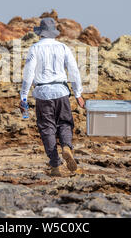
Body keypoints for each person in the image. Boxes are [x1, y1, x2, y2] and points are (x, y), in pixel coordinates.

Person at [19, 17, 85, 177]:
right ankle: (66, 147)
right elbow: (74, 71)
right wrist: (78, 94)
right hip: (61, 91)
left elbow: (28, 73)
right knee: (65, 123)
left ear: (40, 33)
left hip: (43, 93)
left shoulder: (35, 48)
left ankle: (55, 166)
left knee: (47, 127)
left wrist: (23, 97)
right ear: (53, 32)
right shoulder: (63, 47)